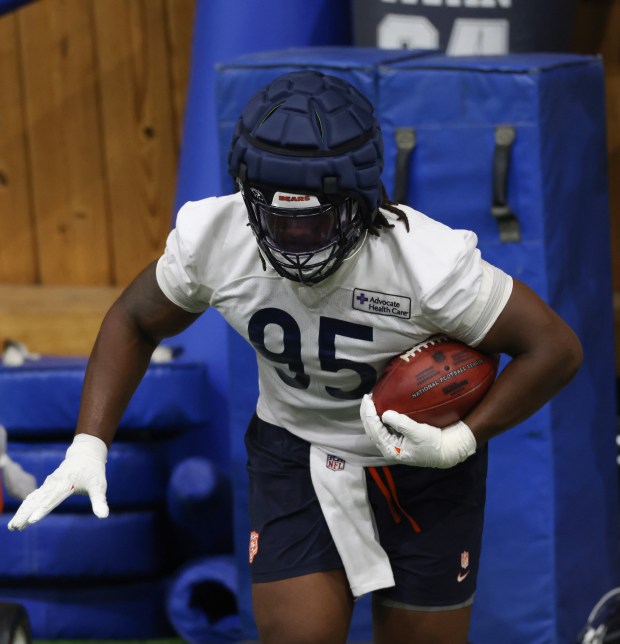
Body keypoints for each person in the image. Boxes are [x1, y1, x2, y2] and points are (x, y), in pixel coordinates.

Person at [7, 70, 582, 644]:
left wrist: (462, 438)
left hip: (422, 463)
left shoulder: (426, 264)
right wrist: (90, 443)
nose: (294, 240)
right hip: (296, 452)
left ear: (361, 199)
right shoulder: (216, 237)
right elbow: (133, 319)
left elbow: (554, 348)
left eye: (316, 221)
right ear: (249, 197)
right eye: (277, 219)